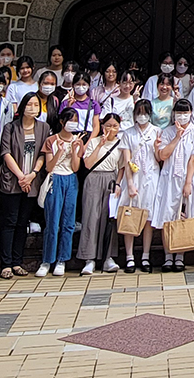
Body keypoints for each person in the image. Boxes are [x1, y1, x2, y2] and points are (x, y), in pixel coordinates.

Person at [0, 91, 49, 278]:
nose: (32, 108)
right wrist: (20, 176)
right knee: (9, 221)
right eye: (29, 104)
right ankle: (6, 263)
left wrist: (32, 175)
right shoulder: (11, 127)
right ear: (23, 106)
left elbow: (43, 153)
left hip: (31, 181)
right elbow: (5, 152)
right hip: (13, 179)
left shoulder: (43, 127)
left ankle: (17, 261)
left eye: (36, 105)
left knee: (22, 222)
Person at [153, 99, 194, 271]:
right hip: (168, 178)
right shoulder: (167, 132)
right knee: (167, 214)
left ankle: (180, 256)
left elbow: (193, 159)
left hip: (186, 177)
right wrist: (177, 136)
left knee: (185, 214)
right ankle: (168, 255)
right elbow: (163, 155)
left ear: (191, 113)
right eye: (179, 112)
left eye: (185, 112)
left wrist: (188, 183)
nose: (182, 116)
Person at [77, 113, 126, 275]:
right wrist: (99, 145)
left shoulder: (121, 144)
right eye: (108, 125)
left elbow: (121, 167)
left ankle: (108, 257)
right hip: (94, 178)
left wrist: (118, 183)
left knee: (109, 218)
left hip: (111, 179)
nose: (111, 129)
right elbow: (87, 163)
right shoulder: (94, 142)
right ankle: (89, 258)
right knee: (91, 216)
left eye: (115, 126)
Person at [117, 98, 161, 272]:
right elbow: (127, 160)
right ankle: (129, 256)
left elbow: (159, 158)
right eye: (139, 113)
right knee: (131, 214)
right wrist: (129, 182)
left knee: (148, 217)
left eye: (145, 113)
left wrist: (158, 148)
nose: (142, 116)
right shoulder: (128, 133)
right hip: (134, 178)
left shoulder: (157, 131)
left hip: (151, 176)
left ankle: (145, 255)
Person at [38, 112, 83, 276]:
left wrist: (74, 150)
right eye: (70, 120)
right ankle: (46, 260)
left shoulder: (77, 140)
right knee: (52, 222)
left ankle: (62, 259)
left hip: (70, 179)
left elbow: (76, 167)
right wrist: (60, 151)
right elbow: (49, 167)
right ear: (62, 122)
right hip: (55, 179)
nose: (73, 123)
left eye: (76, 120)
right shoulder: (51, 140)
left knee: (68, 223)